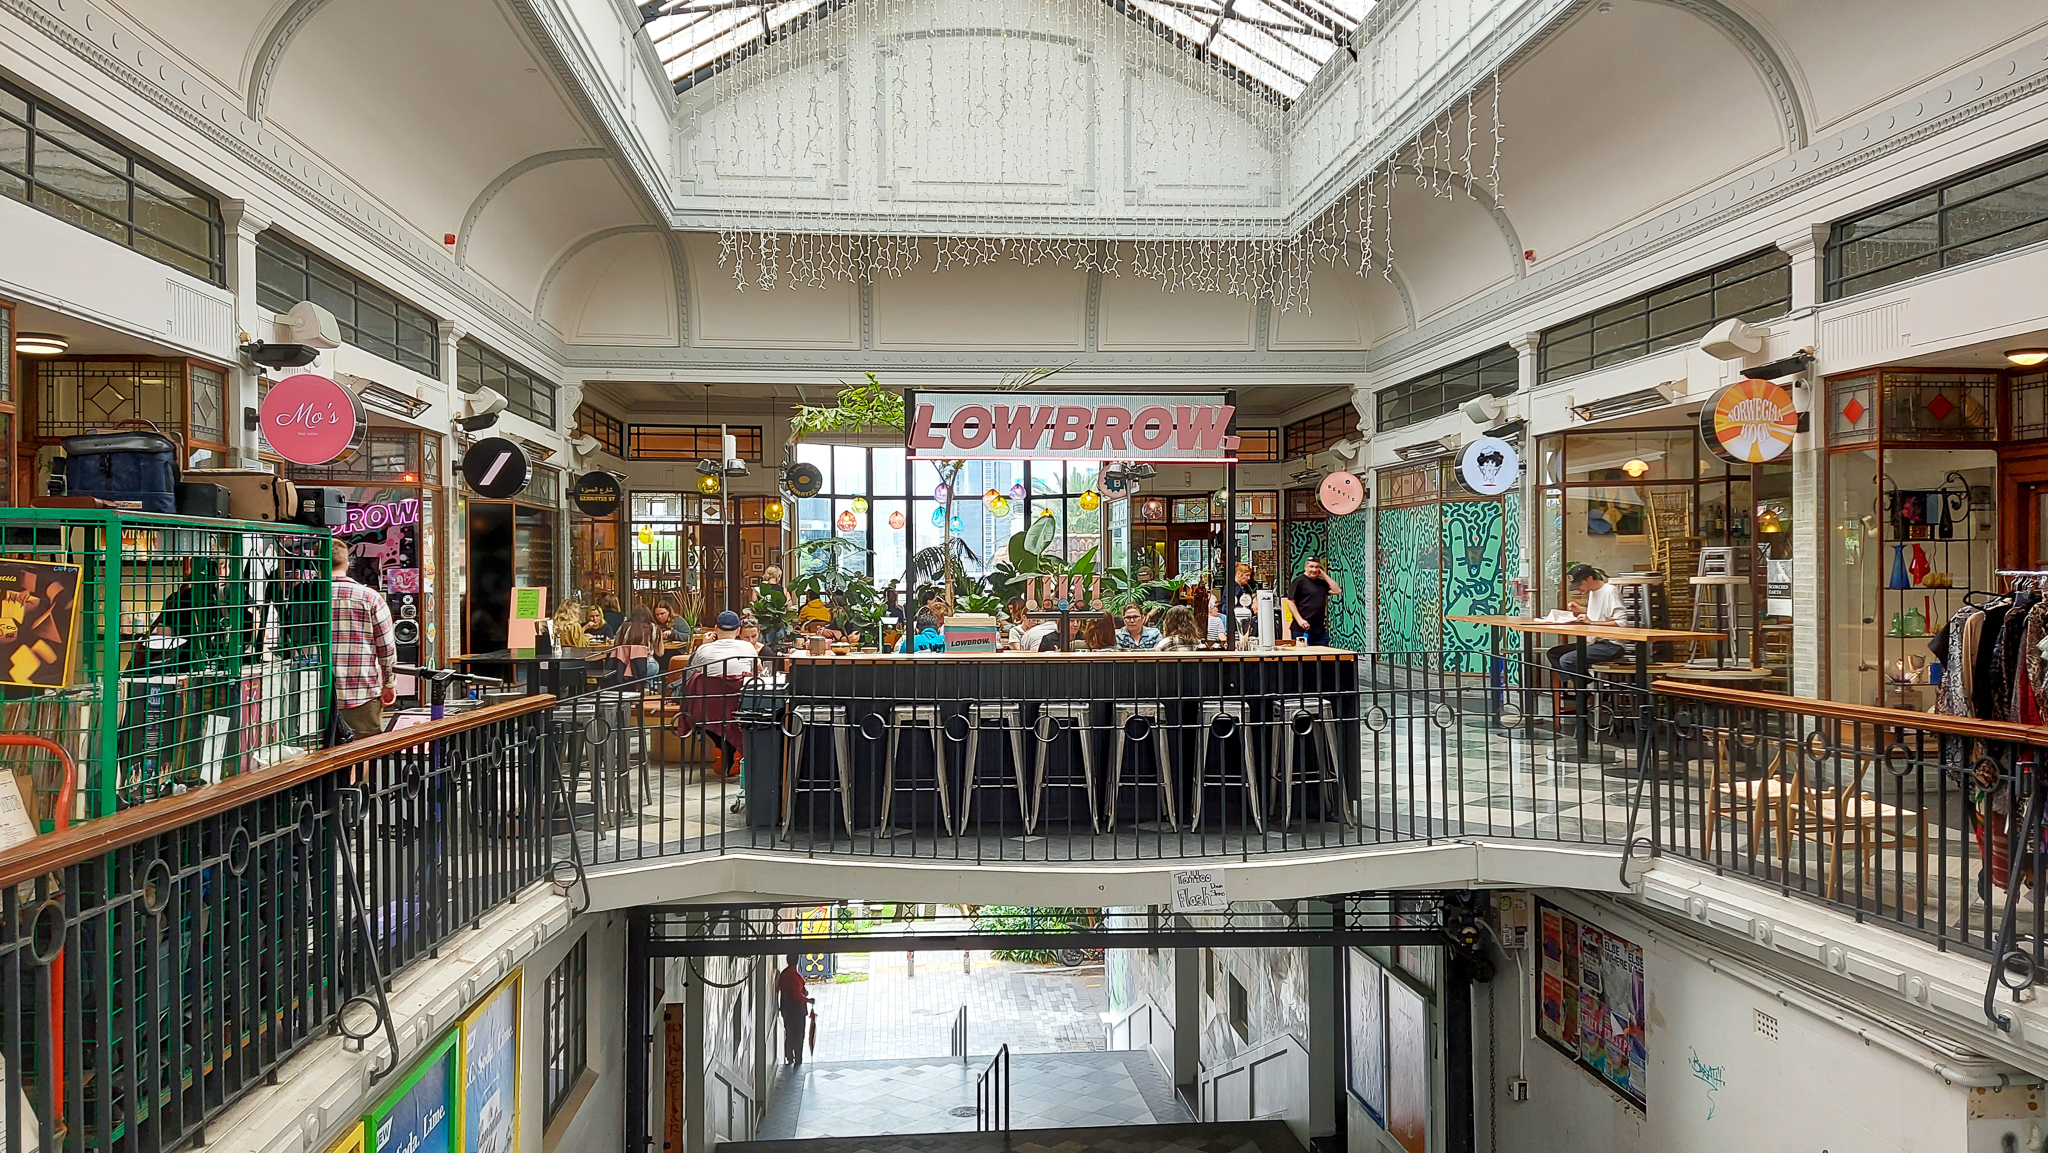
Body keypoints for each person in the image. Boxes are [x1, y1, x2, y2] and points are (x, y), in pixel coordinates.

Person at [330, 538, 396, 738]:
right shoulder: (370, 598)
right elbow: (386, 647)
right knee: (364, 750)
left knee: (317, 751)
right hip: (362, 691)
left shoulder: (306, 597)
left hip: (315, 694)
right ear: (347, 564)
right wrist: (389, 683)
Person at [1548, 564, 1630, 693]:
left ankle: (1585, 691)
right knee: (1554, 653)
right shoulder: (1593, 592)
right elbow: (1601, 613)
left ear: (1589, 579)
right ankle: (1586, 686)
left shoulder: (1610, 591)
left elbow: (1621, 622)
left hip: (1611, 644)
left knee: (1568, 660)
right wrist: (1580, 610)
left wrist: (1591, 622)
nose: (1578, 589)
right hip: (1593, 642)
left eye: (1579, 585)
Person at [1283, 556, 1342, 646]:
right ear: (1306, 567)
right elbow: (1290, 601)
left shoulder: (1321, 583)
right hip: (1302, 628)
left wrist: (1323, 575)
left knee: (1324, 653)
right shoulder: (1299, 581)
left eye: (1317, 567)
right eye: (1311, 566)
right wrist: (1300, 620)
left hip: (1319, 630)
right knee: (1304, 654)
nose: (1314, 570)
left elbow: (1337, 591)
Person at [688, 610, 762, 678]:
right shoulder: (749, 647)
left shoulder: (703, 649)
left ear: (716, 629)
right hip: (740, 688)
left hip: (711, 688)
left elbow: (691, 675)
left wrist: (704, 645)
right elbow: (760, 672)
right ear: (738, 631)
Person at [776, 954, 814, 1065]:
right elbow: (796, 994)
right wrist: (808, 1000)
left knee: (789, 1033)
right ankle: (798, 1057)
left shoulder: (784, 974)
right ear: (797, 961)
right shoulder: (794, 976)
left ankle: (789, 1056)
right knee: (798, 1034)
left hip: (786, 1009)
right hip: (796, 1010)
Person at [609, 604, 660, 683]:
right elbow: (660, 653)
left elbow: (616, 644)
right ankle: (647, 687)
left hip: (623, 666)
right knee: (654, 667)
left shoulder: (624, 626)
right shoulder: (653, 627)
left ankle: (643, 686)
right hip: (645, 665)